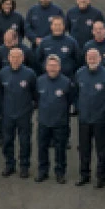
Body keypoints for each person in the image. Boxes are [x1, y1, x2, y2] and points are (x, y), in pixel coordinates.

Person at [73, 48, 105, 188]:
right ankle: (84, 175)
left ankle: (101, 176)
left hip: (100, 120)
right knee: (84, 149)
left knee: (102, 150)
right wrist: (79, 109)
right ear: (86, 58)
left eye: (94, 57)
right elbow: (75, 94)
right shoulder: (79, 73)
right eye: (89, 57)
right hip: (84, 119)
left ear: (100, 58)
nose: (91, 60)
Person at [0, 46, 37, 179]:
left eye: (18, 57)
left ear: (22, 58)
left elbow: (34, 94)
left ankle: (24, 166)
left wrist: (31, 108)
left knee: (25, 141)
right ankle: (10, 164)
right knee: (7, 140)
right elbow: (0, 93)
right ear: (9, 58)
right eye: (12, 57)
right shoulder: (3, 73)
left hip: (24, 114)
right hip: (7, 114)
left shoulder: (30, 74)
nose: (15, 59)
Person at [34, 55, 73, 183]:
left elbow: (70, 100)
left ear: (59, 67)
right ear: (46, 67)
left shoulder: (66, 82)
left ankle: (60, 172)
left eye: (54, 65)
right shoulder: (39, 81)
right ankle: (43, 171)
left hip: (60, 122)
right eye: (50, 65)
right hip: (44, 121)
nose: (52, 68)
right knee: (42, 147)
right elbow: (37, 98)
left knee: (60, 149)